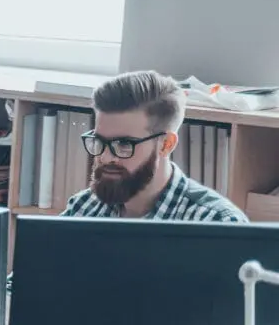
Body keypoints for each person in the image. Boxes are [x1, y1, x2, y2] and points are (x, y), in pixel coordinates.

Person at [64, 70, 246, 221]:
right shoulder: (83, 208)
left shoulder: (217, 224)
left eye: (124, 144)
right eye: (100, 141)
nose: (105, 157)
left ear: (166, 144)